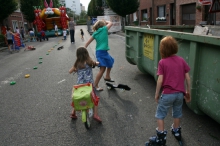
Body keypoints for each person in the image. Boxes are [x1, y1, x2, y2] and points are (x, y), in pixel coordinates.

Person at [145, 36, 191, 146]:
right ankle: (176, 131)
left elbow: (160, 79)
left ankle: (161, 137)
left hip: (168, 94)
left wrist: (157, 93)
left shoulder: (162, 62)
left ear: (162, 49)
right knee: (177, 112)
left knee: (160, 115)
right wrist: (188, 92)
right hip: (180, 94)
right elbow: (188, 78)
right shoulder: (181, 60)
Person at [69, 47, 102, 122]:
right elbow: (96, 63)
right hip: (89, 85)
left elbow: (69, 71)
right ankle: (96, 115)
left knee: (78, 98)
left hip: (79, 85)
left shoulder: (77, 63)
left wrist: (74, 69)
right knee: (95, 98)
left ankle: (73, 113)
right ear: (87, 54)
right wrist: (98, 63)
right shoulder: (89, 61)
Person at [85, 20, 114, 91]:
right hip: (102, 52)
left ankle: (107, 76)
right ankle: (95, 85)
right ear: (103, 25)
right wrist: (105, 21)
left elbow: (87, 43)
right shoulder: (104, 29)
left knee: (111, 61)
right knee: (102, 69)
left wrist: (84, 49)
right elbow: (111, 23)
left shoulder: (95, 33)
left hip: (100, 52)